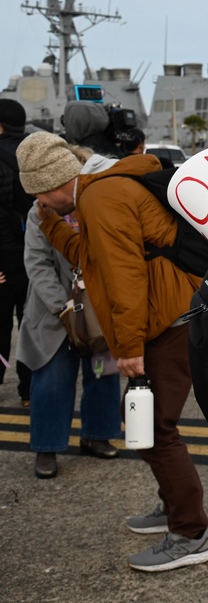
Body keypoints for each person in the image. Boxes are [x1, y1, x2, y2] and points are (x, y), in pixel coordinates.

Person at [16, 131, 208, 571]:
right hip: (171, 314)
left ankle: (190, 533)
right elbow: (93, 259)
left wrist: (127, 348)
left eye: (41, 198)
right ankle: (173, 508)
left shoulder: (101, 199)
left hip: (169, 321)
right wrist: (51, 224)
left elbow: (125, 277)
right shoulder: (99, 189)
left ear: (52, 183)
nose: (42, 205)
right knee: (146, 424)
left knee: (155, 428)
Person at [19, 143, 121, 479]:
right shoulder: (41, 211)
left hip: (97, 307)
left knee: (103, 374)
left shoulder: (96, 203)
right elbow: (37, 263)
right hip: (54, 312)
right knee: (51, 379)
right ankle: (47, 448)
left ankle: (98, 435)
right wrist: (63, 308)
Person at [0, 99, 35, 407]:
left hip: (4, 258)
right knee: (30, 324)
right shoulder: (32, 155)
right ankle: (28, 390)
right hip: (34, 257)